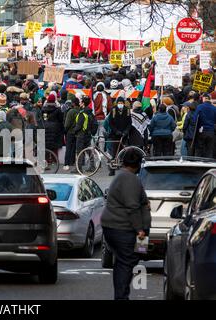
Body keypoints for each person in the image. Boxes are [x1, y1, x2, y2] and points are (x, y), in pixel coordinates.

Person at [101, 148, 151, 300]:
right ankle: (121, 297)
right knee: (126, 263)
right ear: (137, 164)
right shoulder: (129, 179)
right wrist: (140, 229)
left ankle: (121, 295)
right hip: (125, 229)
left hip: (122, 228)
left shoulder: (122, 176)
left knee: (129, 260)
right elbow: (132, 206)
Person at [108, 97, 132, 176]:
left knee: (124, 152)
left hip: (124, 135)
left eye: (121, 103)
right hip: (115, 135)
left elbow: (129, 123)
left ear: (123, 103)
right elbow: (110, 123)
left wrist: (126, 131)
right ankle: (112, 170)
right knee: (114, 153)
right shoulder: (113, 110)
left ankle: (125, 170)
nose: (120, 104)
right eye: (119, 103)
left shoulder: (127, 110)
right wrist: (116, 131)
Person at [193, 93, 216, 158]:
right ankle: (207, 166)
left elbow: (195, 119)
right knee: (209, 150)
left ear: (204, 98)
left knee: (199, 150)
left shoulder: (200, 107)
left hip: (201, 131)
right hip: (211, 131)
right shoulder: (214, 108)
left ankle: (198, 165)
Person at [63, 97, 80, 171]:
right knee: (74, 148)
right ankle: (72, 161)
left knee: (69, 148)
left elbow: (67, 124)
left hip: (70, 132)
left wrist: (65, 131)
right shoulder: (80, 111)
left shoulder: (71, 112)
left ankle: (66, 163)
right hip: (78, 132)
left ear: (73, 103)